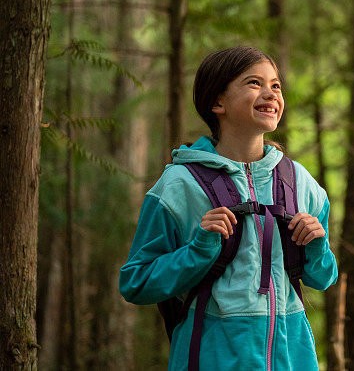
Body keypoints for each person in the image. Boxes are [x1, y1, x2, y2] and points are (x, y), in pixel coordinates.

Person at [119, 46, 338, 370]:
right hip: (211, 358)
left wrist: (316, 247)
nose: (270, 93)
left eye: (275, 85)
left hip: (293, 359)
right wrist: (198, 250)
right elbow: (135, 282)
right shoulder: (179, 186)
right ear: (217, 102)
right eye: (254, 83)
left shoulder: (301, 183)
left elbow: (324, 278)